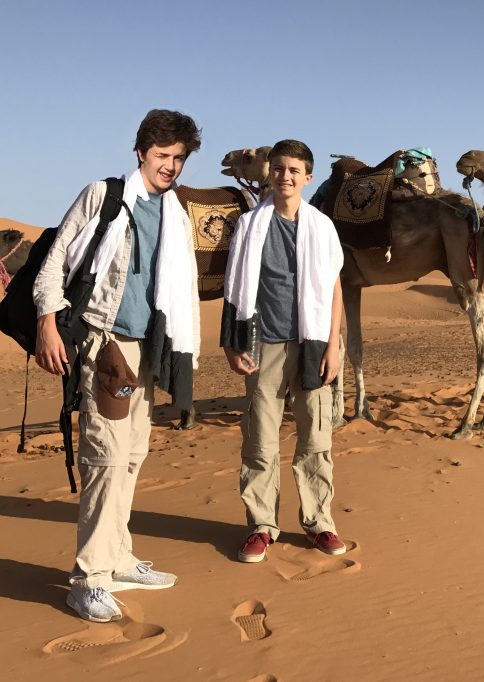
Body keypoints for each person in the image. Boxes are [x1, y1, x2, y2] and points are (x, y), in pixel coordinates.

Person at [33, 109, 203, 622]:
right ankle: (88, 579)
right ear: (141, 153)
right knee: (105, 458)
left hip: (148, 348)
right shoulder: (103, 195)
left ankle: (119, 558)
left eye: (178, 158)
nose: (170, 166)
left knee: (131, 455)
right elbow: (55, 262)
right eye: (162, 156)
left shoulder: (173, 210)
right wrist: (46, 322)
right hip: (106, 344)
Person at [220, 139, 347, 563]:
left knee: (315, 437)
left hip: (314, 344)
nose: (285, 176)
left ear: (308, 177)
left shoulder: (322, 227)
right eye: (278, 169)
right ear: (269, 173)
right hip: (264, 344)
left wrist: (334, 344)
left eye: (294, 170)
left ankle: (319, 522)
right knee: (260, 439)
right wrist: (231, 344)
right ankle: (261, 525)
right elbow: (235, 289)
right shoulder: (250, 225)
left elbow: (334, 289)